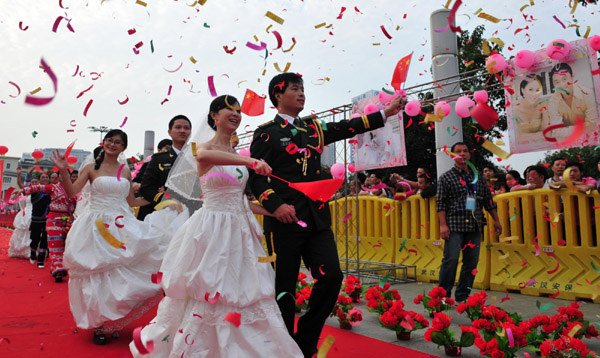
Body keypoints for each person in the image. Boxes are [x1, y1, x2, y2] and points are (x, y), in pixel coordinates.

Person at [131, 95, 303, 357]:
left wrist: (272, 212)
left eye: (239, 111)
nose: (236, 114)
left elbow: (241, 201)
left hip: (241, 230)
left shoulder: (236, 154)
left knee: (245, 290)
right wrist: (249, 162)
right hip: (212, 230)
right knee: (210, 287)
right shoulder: (203, 147)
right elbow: (202, 155)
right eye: (229, 110)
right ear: (214, 116)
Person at [248, 72, 404, 357]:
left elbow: (347, 127)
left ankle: (304, 339)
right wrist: (275, 206)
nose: (301, 93)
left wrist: (385, 113)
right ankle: (284, 349)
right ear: (278, 95)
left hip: (317, 217)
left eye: (303, 88)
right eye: (295, 89)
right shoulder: (266, 133)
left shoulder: (314, 129)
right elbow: (255, 178)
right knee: (283, 287)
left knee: (332, 276)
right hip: (284, 219)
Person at [51, 129, 189, 345]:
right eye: (109, 140)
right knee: (97, 274)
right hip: (96, 227)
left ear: (123, 147)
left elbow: (132, 202)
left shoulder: (125, 171)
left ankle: (110, 319)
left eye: (117, 142)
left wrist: (166, 201)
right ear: (104, 143)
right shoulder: (90, 168)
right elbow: (72, 192)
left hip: (121, 224)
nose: (112, 144)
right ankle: (98, 324)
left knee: (119, 274)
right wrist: (63, 172)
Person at [436, 142, 502, 302]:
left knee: (471, 262)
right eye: (458, 151)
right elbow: (440, 203)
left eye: (465, 151)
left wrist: (496, 220)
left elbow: (488, 200)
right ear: (453, 156)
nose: (462, 154)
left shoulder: (478, 177)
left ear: (469, 155)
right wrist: (443, 225)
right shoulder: (446, 177)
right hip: (454, 224)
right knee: (451, 260)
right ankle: (442, 297)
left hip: (475, 224)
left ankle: (462, 297)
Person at [14, 166, 76, 281]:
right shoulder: (52, 187)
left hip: (69, 221)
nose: (64, 177)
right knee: (55, 245)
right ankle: (58, 269)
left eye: (66, 174)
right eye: (61, 174)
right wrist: (23, 190)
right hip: (54, 220)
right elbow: (38, 188)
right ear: (58, 177)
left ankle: (57, 266)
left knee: (67, 246)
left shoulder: (75, 189)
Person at [138, 115, 192, 220]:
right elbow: (146, 187)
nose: (182, 130)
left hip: (192, 214)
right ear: (169, 132)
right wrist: (166, 200)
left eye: (186, 128)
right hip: (166, 214)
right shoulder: (159, 159)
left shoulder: (196, 158)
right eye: (178, 127)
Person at [548, 63, 598, 138]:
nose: (562, 85)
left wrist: (566, 130)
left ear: (572, 76)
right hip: (569, 142)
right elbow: (557, 132)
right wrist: (584, 126)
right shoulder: (552, 102)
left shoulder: (587, 94)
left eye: (564, 79)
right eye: (557, 82)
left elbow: (593, 124)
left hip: (589, 138)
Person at [8, 167, 34, 259]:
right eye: (32, 182)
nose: (33, 184)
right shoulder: (26, 191)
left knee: (29, 232)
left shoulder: (38, 192)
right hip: (24, 213)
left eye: (35, 182)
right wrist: (19, 174)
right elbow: (20, 184)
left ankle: (28, 251)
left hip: (32, 213)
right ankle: (17, 250)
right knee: (20, 231)